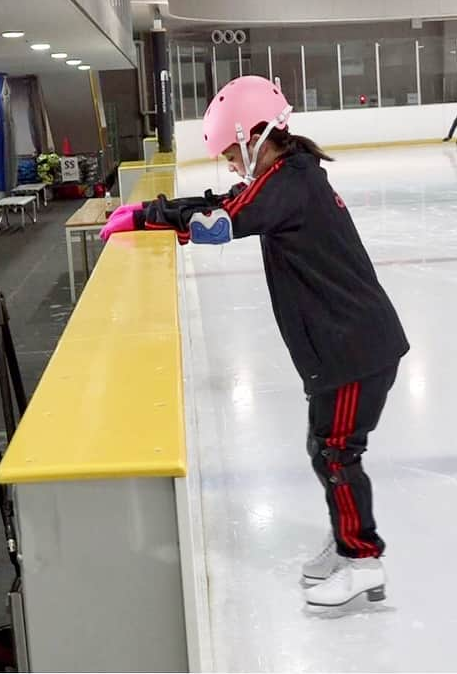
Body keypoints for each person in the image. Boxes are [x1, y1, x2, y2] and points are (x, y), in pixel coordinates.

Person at [101, 76, 409, 608]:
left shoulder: (289, 181)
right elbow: (230, 202)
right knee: (327, 449)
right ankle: (348, 546)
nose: (231, 164)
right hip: (343, 346)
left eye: (230, 152)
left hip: (353, 348)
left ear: (252, 135)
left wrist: (154, 219)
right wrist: (155, 214)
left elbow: (222, 221)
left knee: (337, 451)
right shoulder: (290, 176)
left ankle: (363, 560)